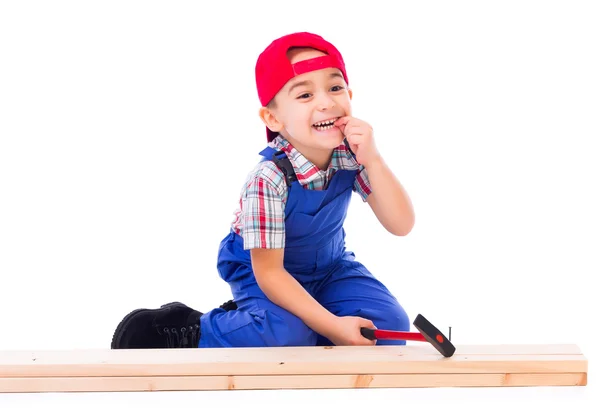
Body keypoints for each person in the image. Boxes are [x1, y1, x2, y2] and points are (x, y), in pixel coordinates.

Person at [111, 32, 415, 350]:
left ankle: (264, 320)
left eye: (335, 88)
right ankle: (197, 329)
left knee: (388, 329)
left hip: (329, 266)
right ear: (273, 117)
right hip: (265, 270)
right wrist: (335, 326)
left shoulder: (352, 155)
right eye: (305, 95)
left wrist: (374, 160)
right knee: (289, 337)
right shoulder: (268, 179)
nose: (327, 103)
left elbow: (401, 224)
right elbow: (270, 273)